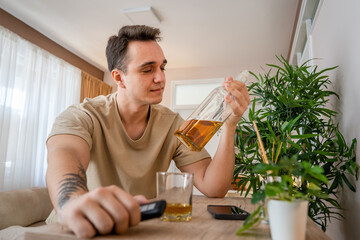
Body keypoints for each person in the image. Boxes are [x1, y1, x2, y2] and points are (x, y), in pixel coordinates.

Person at [45, 25, 250, 238]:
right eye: (147, 69)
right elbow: (64, 154)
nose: (160, 78)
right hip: (75, 230)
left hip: (138, 229)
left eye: (162, 67)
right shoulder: (84, 115)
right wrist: (71, 203)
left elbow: (213, 187)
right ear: (118, 78)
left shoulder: (172, 124)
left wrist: (230, 123)